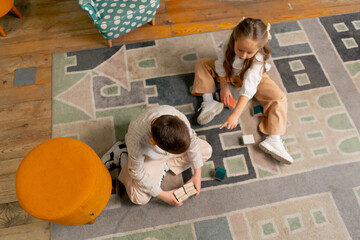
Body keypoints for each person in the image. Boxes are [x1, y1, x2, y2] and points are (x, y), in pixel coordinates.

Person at [191, 17, 293, 164]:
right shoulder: (230, 38)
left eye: (249, 52)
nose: (243, 55)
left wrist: (235, 115)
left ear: (258, 48)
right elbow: (220, 63)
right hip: (230, 71)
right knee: (202, 64)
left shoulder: (259, 57)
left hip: (253, 77)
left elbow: (249, 87)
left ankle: (274, 139)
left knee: (279, 98)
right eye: (240, 49)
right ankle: (209, 102)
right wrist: (224, 88)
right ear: (234, 40)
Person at [101, 105, 212, 206]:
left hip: (166, 149)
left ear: (177, 118)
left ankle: (165, 166)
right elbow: (136, 172)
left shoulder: (179, 119)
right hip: (149, 158)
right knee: (139, 198)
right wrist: (163, 195)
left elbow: (193, 142)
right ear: (152, 142)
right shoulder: (137, 140)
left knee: (207, 150)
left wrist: (197, 173)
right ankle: (122, 155)